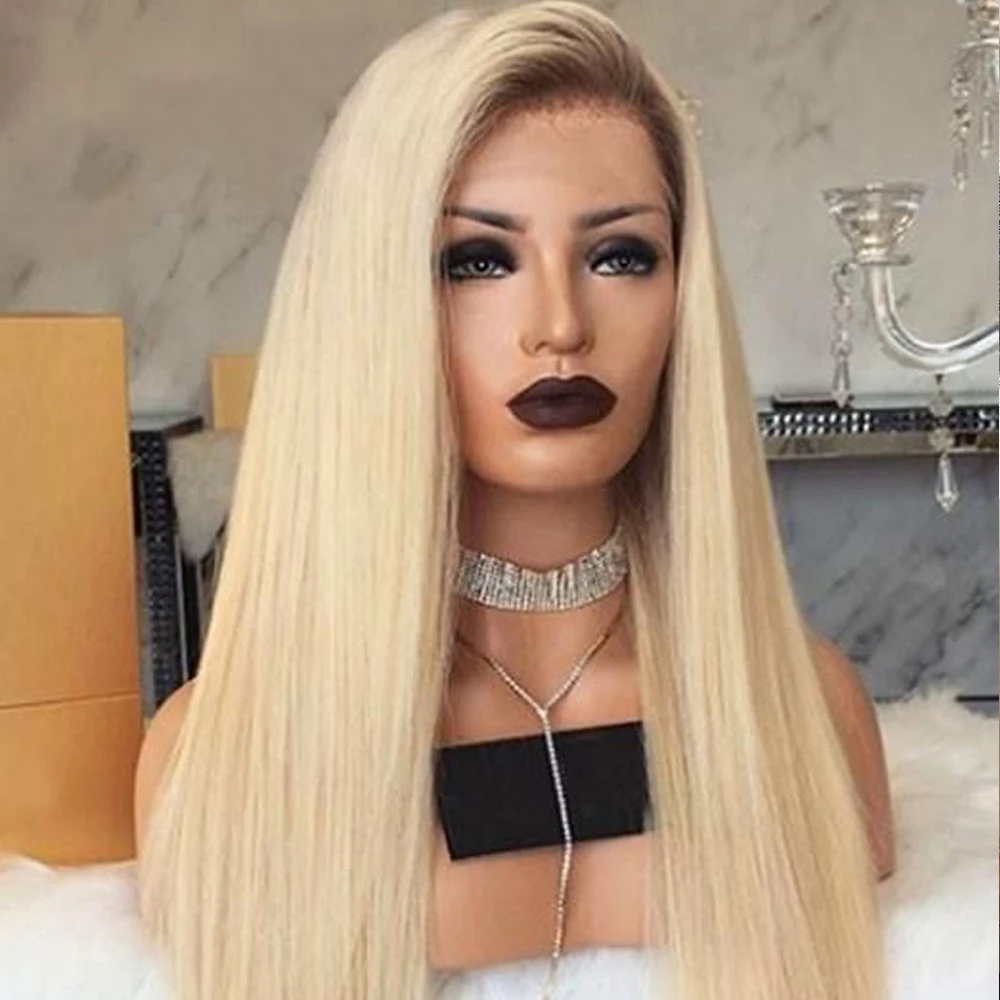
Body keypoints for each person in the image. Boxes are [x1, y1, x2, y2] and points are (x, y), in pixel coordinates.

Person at [135, 2, 895, 999]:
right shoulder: (226, 759)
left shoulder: (807, 716)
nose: (559, 325)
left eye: (619, 256)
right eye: (479, 261)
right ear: (372, 298)